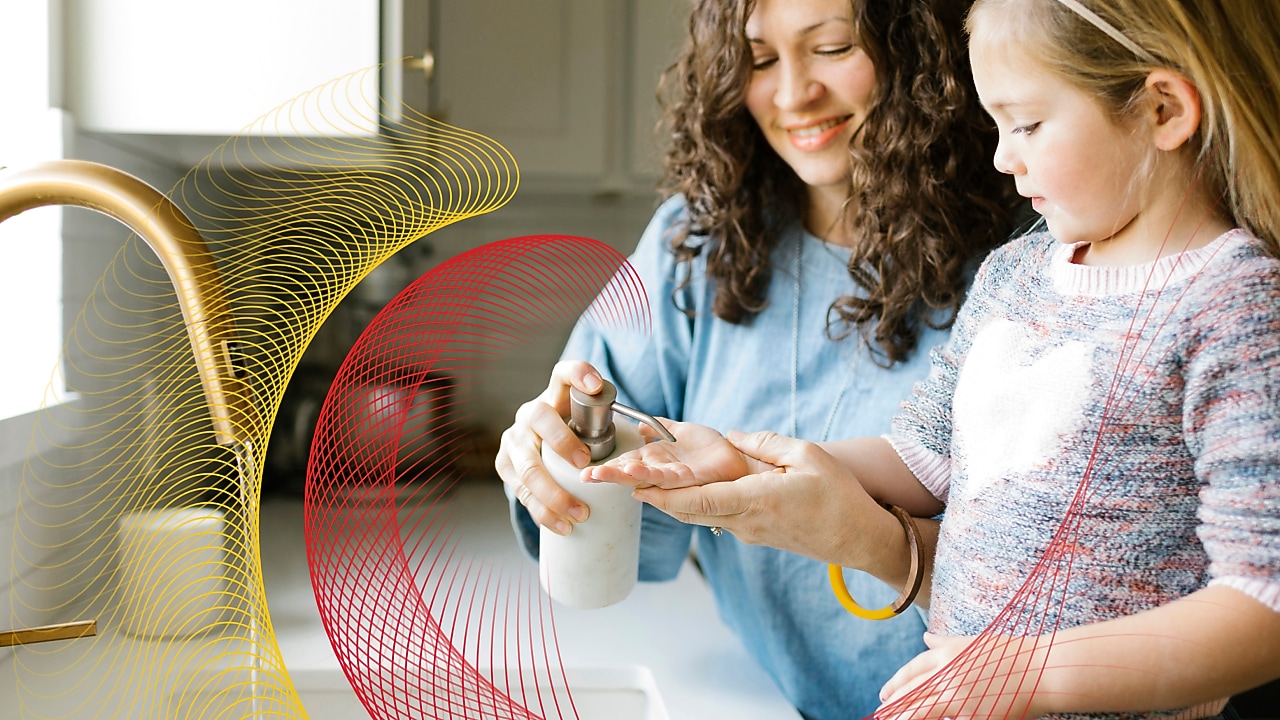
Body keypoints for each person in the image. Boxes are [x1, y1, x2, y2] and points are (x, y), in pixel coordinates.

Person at [588, 0, 1280, 717]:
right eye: (997, 124)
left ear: (1163, 110)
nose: (1002, 155)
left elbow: (1263, 602)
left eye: (1028, 124)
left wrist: (1022, 673)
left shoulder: (1235, 306)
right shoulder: (1018, 273)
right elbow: (925, 458)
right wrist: (743, 456)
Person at [493, 0, 1017, 717]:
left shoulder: (1032, 263)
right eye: (760, 60)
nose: (793, 93)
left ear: (922, 49)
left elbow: (1081, 584)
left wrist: (878, 540)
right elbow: (616, 501)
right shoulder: (697, 239)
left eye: (832, 48)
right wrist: (548, 459)